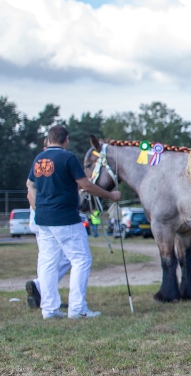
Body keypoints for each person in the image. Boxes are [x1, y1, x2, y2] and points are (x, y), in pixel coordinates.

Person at [26, 125, 121, 319]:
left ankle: (50, 309)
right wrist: (110, 195)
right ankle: (77, 308)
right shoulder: (68, 158)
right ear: (66, 140)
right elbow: (85, 184)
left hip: (43, 220)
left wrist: (38, 208)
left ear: (49, 139)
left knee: (48, 263)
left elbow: (30, 186)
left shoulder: (38, 159)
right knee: (81, 259)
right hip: (65, 218)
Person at [24, 207, 71, 310]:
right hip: (48, 218)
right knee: (60, 259)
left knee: (46, 259)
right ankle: (41, 288)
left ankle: (42, 293)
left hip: (40, 217)